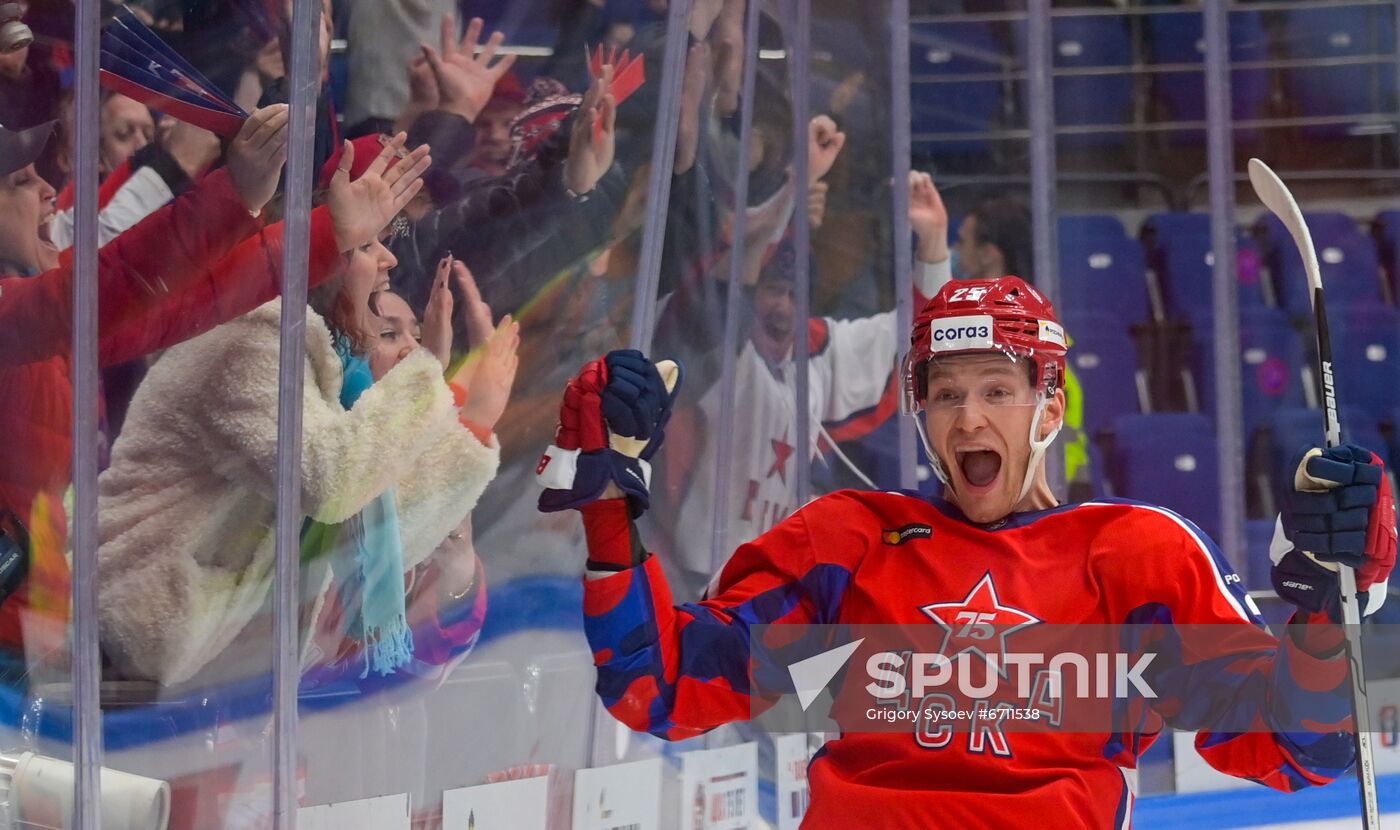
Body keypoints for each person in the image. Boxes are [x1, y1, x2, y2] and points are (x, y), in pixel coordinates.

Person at [538, 276, 1397, 827]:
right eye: (946, 394)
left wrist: (1328, 612)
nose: (968, 418)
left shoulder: (1138, 557)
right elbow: (664, 684)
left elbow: (1294, 748)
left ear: (1049, 405)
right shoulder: (848, 541)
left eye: (996, 390)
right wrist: (609, 510)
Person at [96, 142, 518, 683]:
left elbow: (361, 535)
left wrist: (471, 424)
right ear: (319, 260)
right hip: (128, 649)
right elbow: (333, 483)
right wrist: (445, 393)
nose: (388, 260)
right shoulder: (253, 337)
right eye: (368, 244)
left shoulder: (320, 364)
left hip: (204, 671)